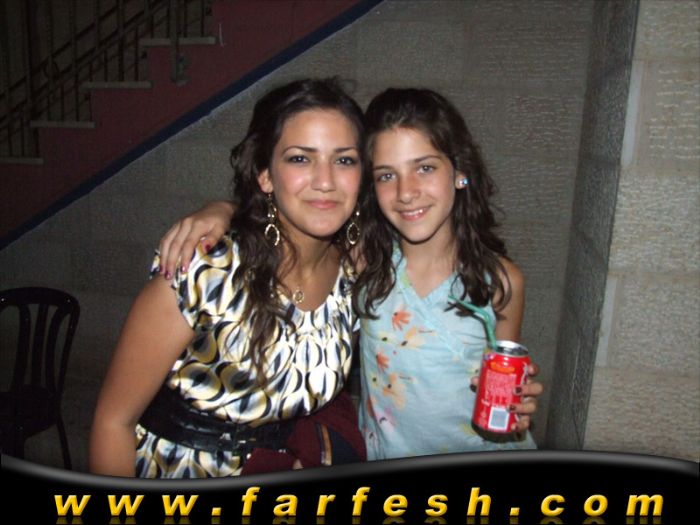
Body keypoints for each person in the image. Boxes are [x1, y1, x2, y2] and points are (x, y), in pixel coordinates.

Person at [157, 87, 543, 461]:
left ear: (459, 171)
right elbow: (282, 217)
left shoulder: (501, 282)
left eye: (425, 168)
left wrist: (517, 405)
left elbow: (505, 375)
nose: (407, 192)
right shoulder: (364, 262)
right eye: (386, 175)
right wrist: (222, 210)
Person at [89, 78, 367, 478]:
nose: (325, 181)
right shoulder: (205, 269)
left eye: (344, 160)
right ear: (265, 175)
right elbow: (112, 423)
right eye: (299, 159)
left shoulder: (352, 277)